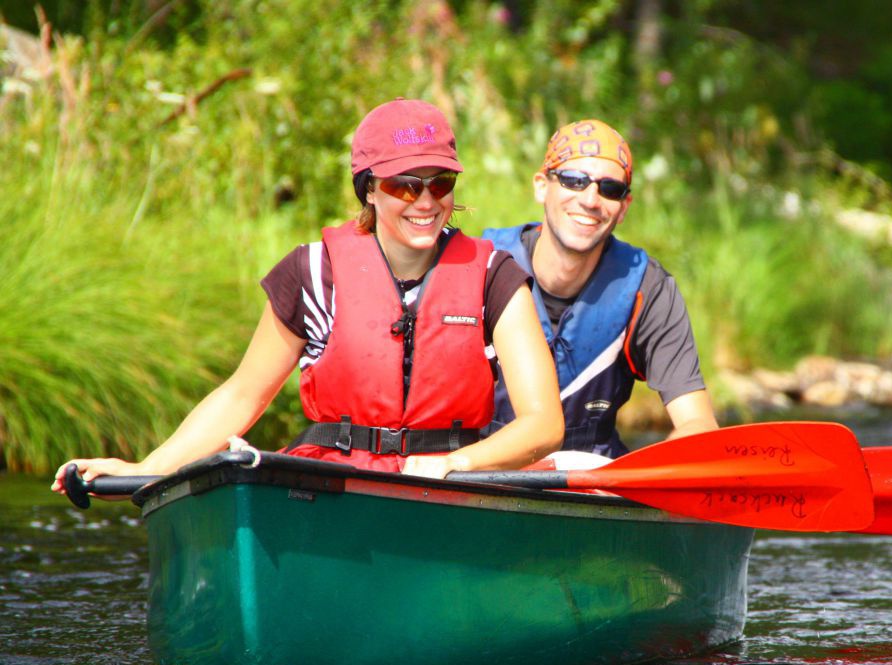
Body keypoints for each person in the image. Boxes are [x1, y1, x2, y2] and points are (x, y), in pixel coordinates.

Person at [52, 98, 563, 499]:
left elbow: (543, 423)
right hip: (332, 487)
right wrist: (147, 470)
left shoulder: (494, 277)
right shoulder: (312, 274)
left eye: (440, 182)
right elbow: (243, 395)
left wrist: (458, 463)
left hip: (449, 487)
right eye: (405, 186)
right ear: (369, 189)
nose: (426, 201)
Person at [482, 119, 717, 459]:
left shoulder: (648, 290)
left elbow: (697, 422)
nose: (591, 199)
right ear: (541, 186)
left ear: (624, 207)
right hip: (479, 471)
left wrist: (671, 465)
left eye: (610, 189)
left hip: (591, 479)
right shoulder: (479, 267)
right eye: (574, 181)